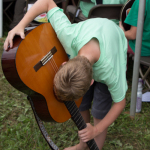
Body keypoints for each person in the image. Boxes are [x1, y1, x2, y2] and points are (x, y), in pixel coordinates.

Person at [4, 0, 128, 149]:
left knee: (100, 110)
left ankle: (97, 146)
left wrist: (96, 130)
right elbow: (47, 2)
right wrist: (20, 24)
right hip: (93, 29)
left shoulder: (111, 71)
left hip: (115, 37)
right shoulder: (68, 35)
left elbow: (120, 103)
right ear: (64, 64)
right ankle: (83, 145)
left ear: (91, 82)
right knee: (81, 104)